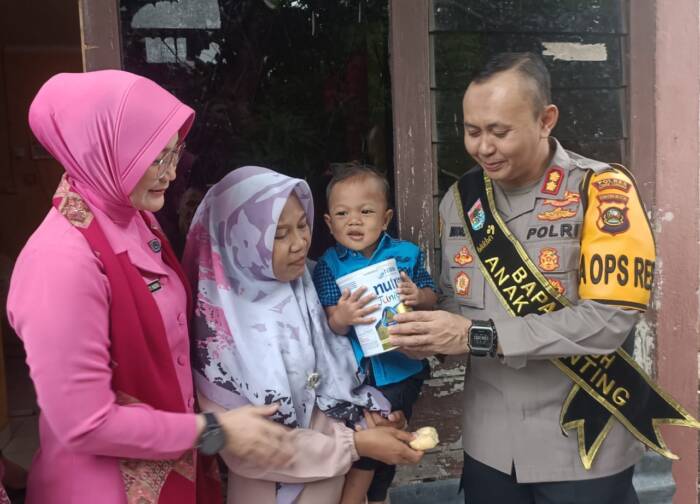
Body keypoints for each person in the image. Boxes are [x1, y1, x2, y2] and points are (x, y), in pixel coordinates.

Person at [6, 70, 296, 504]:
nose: (171, 172)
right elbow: (84, 423)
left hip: (173, 469)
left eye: (173, 152)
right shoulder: (60, 262)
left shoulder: (134, 217)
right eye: (153, 159)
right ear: (100, 152)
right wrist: (215, 431)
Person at [388, 52, 657, 503]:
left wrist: (475, 336)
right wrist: (426, 329)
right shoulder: (460, 201)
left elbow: (610, 319)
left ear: (545, 120)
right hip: (491, 443)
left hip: (581, 440)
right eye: (472, 132)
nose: (483, 147)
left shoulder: (602, 191)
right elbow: (460, 308)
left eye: (499, 131)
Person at [182, 166, 424, 504]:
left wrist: (376, 416)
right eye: (279, 234)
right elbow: (245, 448)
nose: (299, 244)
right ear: (239, 240)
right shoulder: (217, 334)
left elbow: (346, 376)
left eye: (302, 225)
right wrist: (356, 445)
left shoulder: (313, 284)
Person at [311, 163, 438, 504]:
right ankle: (375, 498)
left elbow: (430, 294)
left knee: (379, 436)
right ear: (328, 222)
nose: (354, 221)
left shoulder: (405, 255)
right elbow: (328, 322)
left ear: (385, 218)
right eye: (342, 213)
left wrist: (417, 296)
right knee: (377, 438)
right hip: (357, 375)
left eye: (366, 211)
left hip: (401, 367)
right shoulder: (329, 265)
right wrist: (344, 315)